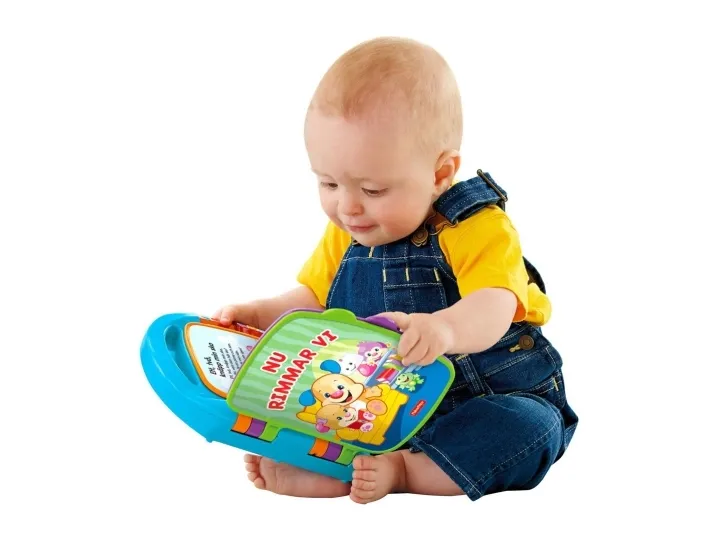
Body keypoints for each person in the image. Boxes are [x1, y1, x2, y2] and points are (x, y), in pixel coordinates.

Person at [214, 36, 578, 504]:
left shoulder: (476, 227)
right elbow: (312, 300)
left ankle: (405, 470)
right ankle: (341, 465)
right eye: (328, 183)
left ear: (440, 173)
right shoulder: (350, 232)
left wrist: (445, 330)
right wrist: (259, 314)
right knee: (319, 399)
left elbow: (494, 306)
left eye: (372, 189)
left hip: (486, 398)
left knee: (532, 428)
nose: (348, 207)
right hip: (378, 407)